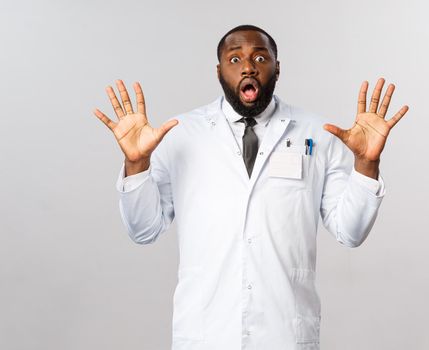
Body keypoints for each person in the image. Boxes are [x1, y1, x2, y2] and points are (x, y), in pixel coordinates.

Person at [93, 24, 408, 350]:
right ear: (218, 72)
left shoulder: (319, 133)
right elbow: (143, 229)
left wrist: (367, 164)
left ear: (277, 68)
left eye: (260, 57)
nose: (248, 66)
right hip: (206, 333)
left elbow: (351, 231)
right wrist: (136, 164)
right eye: (234, 59)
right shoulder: (179, 134)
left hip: (285, 332)